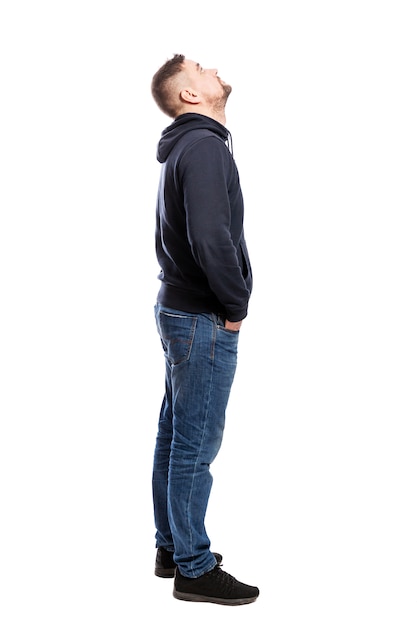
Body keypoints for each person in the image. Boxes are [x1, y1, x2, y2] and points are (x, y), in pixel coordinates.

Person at [150, 54, 259, 606]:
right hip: (201, 316)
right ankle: (193, 567)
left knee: (175, 436)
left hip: (179, 310)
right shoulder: (205, 148)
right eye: (200, 67)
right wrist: (234, 301)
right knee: (194, 445)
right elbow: (211, 236)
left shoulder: (190, 147)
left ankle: (171, 548)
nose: (213, 68)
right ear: (190, 95)